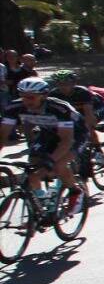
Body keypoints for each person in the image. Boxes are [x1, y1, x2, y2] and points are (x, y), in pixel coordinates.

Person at [1, 77, 86, 213]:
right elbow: (2, 135)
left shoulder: (59, 108)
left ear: (44, 96)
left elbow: (66, 140)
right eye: (23, 96)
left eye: (31, 97)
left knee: (58, 165)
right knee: (32, 168)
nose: (26, 101)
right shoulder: (14, 107)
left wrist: (50, 161)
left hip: (75, 135)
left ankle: (75, 191)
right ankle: (42, 202)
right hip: (48, 132)